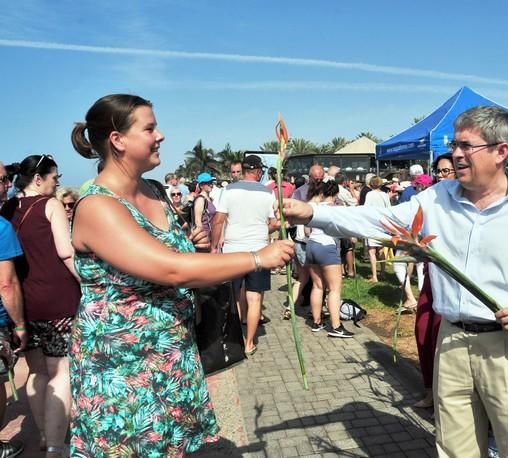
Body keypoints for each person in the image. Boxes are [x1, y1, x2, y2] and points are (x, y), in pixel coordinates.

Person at [280, 105, 508, 457]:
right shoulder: (436, 199)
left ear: (501, 151)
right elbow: (381, 220)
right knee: (455, 447)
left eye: (466, 146)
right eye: (454, 144)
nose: (455, 154)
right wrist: (313, 212)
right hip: (452, 340)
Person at [68, 94, 293, 456]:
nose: (162, 136)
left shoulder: (154, 192)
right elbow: (170, 269)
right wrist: (256, 258)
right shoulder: (98, 206)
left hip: (171, 354)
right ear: (118, 140)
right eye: (150, 128)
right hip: (125, 366)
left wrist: (198, 250)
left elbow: (175, 261)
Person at [0, 154, 81, 458]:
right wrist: (87, 283)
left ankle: (46, 436)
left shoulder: (7, 209)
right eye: (54, 177)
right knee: (61, 372)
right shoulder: (51, 205)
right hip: (57, 297)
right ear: (38, 178)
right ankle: (57, 447)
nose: (57, 182)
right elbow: (65, 251)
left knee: (35, 372)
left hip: (24, 303)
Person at [211, 155, 281, 355]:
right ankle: (249, 342)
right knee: (254, 298)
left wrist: (214, 247)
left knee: (233, 297)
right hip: (259, 251)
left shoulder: (228, 190)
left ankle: (234, 338)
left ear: (243, 170)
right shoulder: (268, 193)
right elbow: (273, 222)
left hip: (233, 250)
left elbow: (218, 220)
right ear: (258, 171)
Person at [412, 153, 456, 409]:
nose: (442, 176)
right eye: (439, 171)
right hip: (432, 276)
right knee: (423, 332)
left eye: (447, 171)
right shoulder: (430, 200)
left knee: (441, 337)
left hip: (453, 281)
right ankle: (429, 392)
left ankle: (444, 399)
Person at [0, 164, 27, 457]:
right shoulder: (2, 228)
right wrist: (20, 324)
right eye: (3, 179)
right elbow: (6, 284)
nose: (8, 184)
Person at [304, 181, 353, 338]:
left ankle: (316, 322)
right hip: (327, 246)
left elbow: (306, 230)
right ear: (336, 195)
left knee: (318, 286)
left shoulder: (315, 208)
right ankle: (336, 326)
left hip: (312, 244)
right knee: (334, 289)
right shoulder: (337, 209)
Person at [363, 176, 390, 283]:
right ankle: (382, 272)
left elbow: (366, 208)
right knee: (381, 249)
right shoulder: (385, 195)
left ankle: (375, 276)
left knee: (372, 250)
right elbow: (389, 208)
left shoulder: (370, 194)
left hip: (372, 223)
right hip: (383, 223)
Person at [193, 172, 217, 238]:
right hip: (205, 237)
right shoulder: (200, 200)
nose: (211, 185)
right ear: (201, 186)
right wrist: (203, 238)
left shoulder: (209, 199)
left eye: (211, 182)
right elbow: (198, 222)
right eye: (208, 183)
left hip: (211, 235)